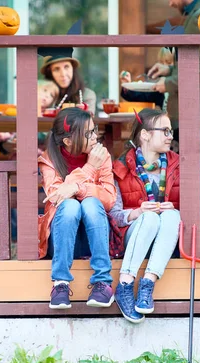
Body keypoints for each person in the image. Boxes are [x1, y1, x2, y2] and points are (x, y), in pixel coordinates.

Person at [148, 0, 200, 258]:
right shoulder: (199, 11)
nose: (169, 3)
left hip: (199, 108)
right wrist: (170, 68)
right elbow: (197, 58)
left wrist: (169, 81)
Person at [38, 107, 116, 309]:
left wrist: (77, 187)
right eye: (88, 133)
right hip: (62, 241)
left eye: (94, 130)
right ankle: (61, 284)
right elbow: (56, 196)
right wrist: (89, 168)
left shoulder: (103, 155)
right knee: (70, 205)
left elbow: (109, 199)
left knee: (91, 202)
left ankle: (102, 282)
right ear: (68, 141)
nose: (94, 137)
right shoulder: (49, 160)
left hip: (95, 240)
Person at [109, 109, 181, 323]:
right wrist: (138, 212)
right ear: (145, 135)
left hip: (165, 241)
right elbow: (114, 215)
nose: (171, 136)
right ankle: (125, 284)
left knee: (171, 216)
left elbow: (191, 212)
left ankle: (147, 284)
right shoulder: (121, 167)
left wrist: (174, 208)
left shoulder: (178, 165)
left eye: (171, 131)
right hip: (133, 239)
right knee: (149, 218)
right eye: (165, 131)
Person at [39, 47, 97, 115]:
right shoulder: (43, 96)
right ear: (50, 73)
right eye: (56, 69)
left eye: (66, 67)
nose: (63, 74)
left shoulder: (87, 95)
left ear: (73, 68)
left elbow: (86, 123)